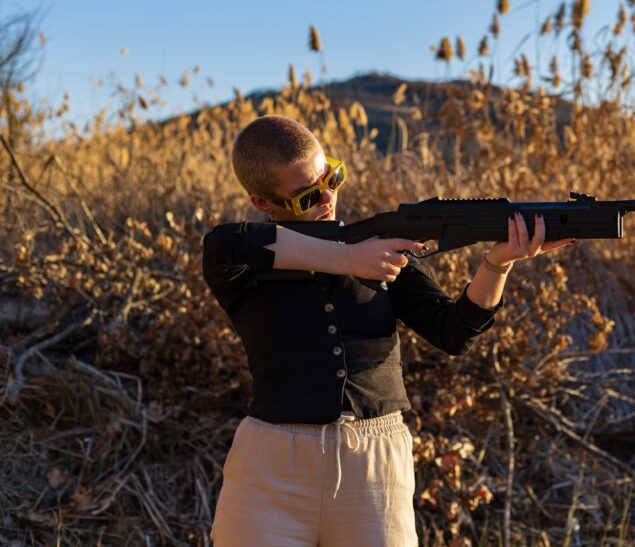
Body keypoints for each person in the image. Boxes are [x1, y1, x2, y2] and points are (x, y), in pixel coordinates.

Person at [202, 115, 572, 546]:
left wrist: (497, 264)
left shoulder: (380, 246)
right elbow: (225, 242)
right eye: (307, 197)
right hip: (270, 471)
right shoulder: (242, 263)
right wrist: (347, 260)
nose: (327, 197)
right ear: (262, 201)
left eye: (332, 178)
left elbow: (452, 333)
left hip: (375, 468)